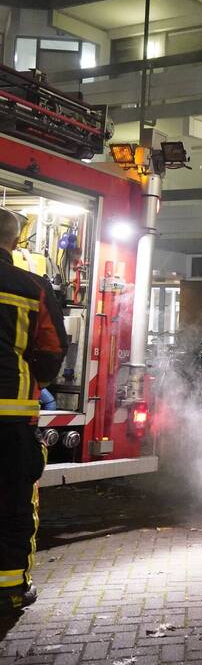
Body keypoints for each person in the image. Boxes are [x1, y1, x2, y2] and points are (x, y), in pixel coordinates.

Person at [0, 208, 68, 615]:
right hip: (12, 416)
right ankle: (10, 592)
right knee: (13, 506)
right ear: (14, 241)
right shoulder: (33, 286)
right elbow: (53, 348)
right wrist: (32, 383)